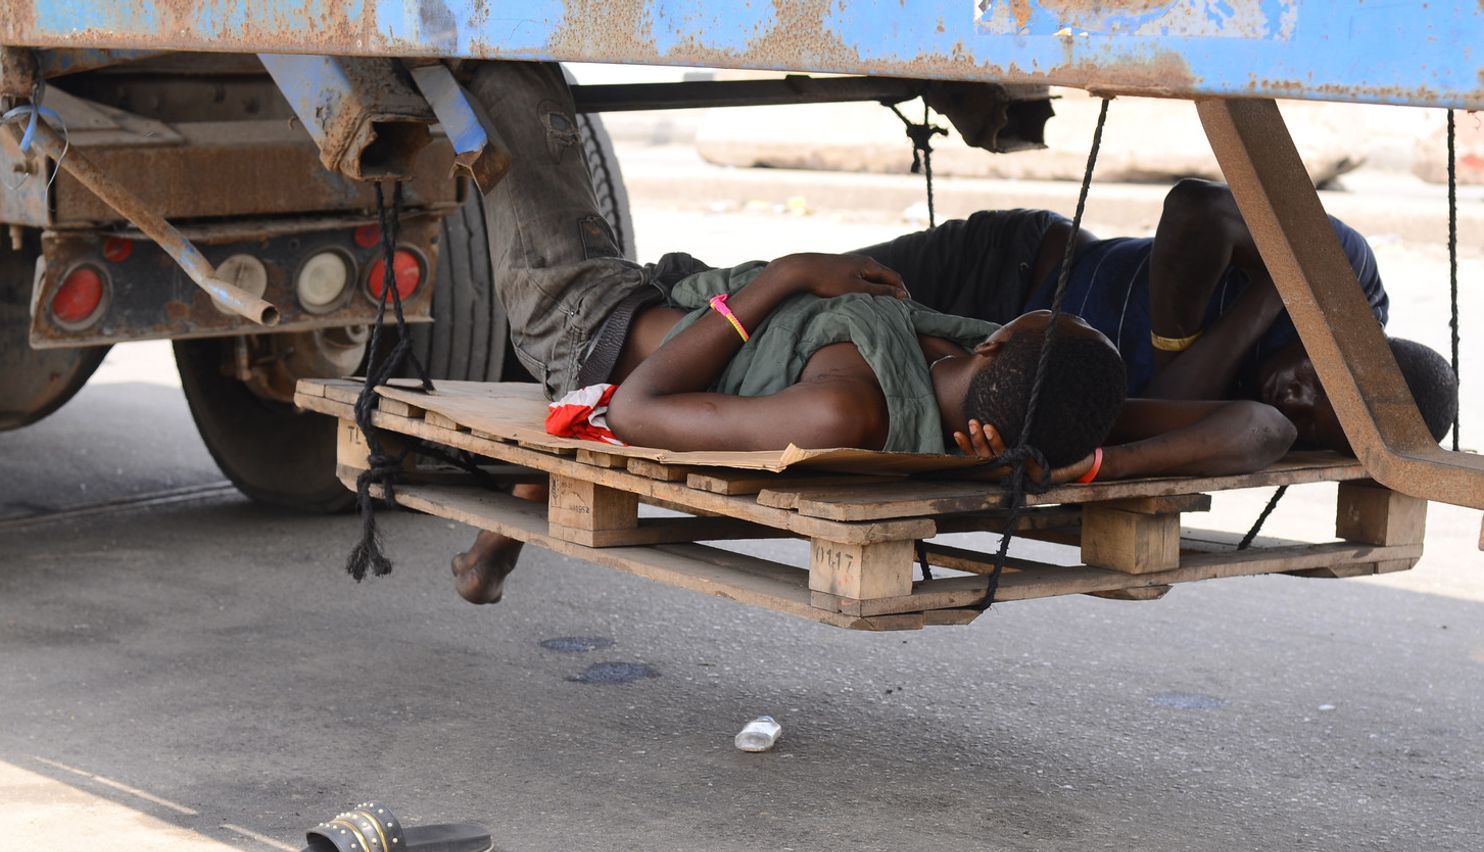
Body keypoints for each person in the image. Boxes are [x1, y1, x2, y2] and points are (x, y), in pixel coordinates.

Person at [449, 63, 1296, 604]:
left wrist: (785, 275)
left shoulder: (840, 413)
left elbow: (634, 412)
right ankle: (514, 519)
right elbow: (1267, 428)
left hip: (587, 324)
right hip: (684, 289)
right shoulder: (1042, 416)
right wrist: (1105, 464)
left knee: (505, 74)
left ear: (998, 344)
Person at [856, 179, 1460, 451]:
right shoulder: (1339, 277)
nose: (1295, 397)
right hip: (1010, 272)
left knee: (811, 350)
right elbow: (1194, 210)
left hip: (988, 370)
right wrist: (1198, 340)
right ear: (1357, 349)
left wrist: (1269, 293)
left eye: (1311, 422)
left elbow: (1164, 406)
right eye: (1318, 382)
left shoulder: (1271, 420)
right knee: (792, 287)